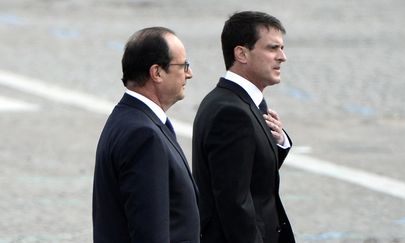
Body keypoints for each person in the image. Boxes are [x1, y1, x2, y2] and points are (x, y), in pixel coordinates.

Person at [192, 11, 296, 243]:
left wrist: (277, 143)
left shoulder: (243, 102)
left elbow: (252, 174)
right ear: (242, 53)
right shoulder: (231, 113)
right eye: (272, 48)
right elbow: (234, 203)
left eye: (282, 48)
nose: (282, 57)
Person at [92, 27, 200, 243]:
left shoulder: (130, 119)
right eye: (183, 65)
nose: (189, 74)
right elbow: (150, 233)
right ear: (157, 73)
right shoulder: (143, 135)